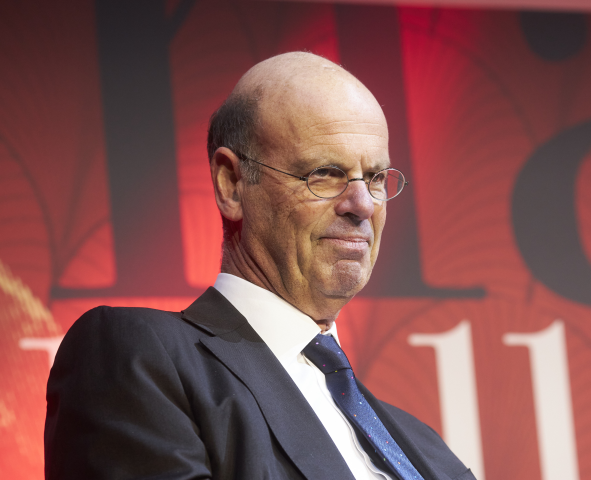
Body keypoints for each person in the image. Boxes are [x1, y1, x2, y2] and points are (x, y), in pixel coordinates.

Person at [44, 52, 476, 480]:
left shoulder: (425, 451)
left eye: (377, 178)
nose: (363, 205)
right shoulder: (140, 358)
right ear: (231, 184)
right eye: (325, 173)